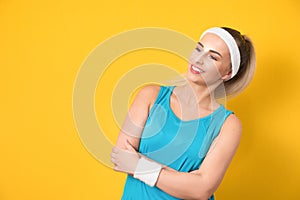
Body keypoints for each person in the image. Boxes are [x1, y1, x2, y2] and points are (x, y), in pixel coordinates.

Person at [110, 27, 256, 200]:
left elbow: (201, 191)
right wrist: (186, 179)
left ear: (228, 73)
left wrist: (139, 166)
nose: (199, 59)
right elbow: (120, 158)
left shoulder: (228, 125)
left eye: (213, 57)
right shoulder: (150, 95)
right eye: (198, 49)